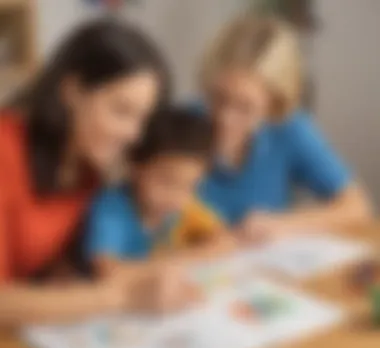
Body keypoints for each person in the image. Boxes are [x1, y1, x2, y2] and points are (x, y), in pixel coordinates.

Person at [0, 19, 186, 326]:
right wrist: (122, 296)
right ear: (72, 91)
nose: (134, 135)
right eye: (121, 110)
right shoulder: (6, 147)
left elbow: (46, 259)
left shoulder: (90, 164)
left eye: (141, 118)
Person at [197, 15, 372, 243]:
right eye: (218, 98)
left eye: (245, 108)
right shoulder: (179, 127)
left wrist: (282, 225)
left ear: (274, 106)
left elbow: (356, 207)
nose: (224, 118)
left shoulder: (288, 128)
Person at [85, 108, 232, 284]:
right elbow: (110, 273)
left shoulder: (185, 205)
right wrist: (190, 259)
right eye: (167, 181)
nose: (176, 197)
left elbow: (224, 240)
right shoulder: (112, 208)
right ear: (135, 167)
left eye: (190, 186)